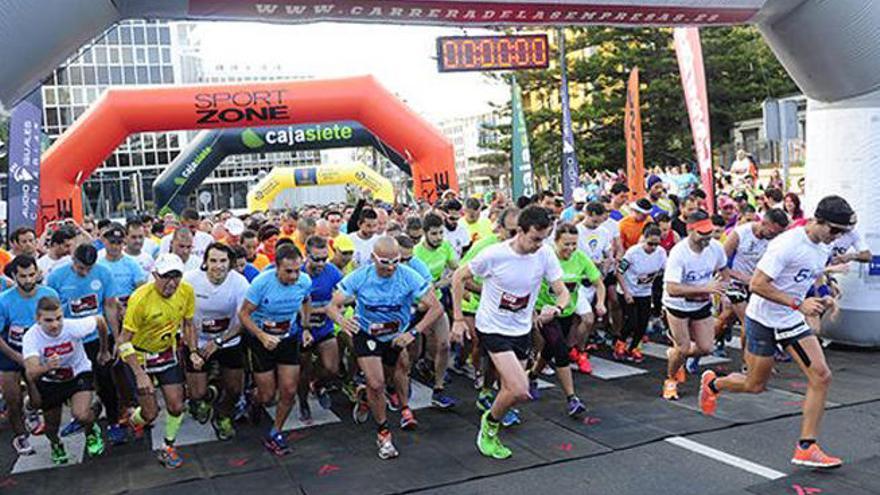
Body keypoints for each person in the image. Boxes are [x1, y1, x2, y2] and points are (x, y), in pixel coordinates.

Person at [700, 195, 857, 469]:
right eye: (834, 230)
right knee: (755, 385)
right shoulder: (787, 244)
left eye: (843, 233)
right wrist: (799, 303)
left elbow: (812, 274)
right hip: (762, 318)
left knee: (821, 376)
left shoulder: (822, 245)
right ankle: (714, 384)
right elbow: (758, 284)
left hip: (790, 320)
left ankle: (806, 447)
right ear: (817, 220)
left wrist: (825, 295)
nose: (837, 237)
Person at [451, 206, 569, 460]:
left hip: (521, 328)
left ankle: (492, 410)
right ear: (520, 231)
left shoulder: (545, 254)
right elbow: (458, 277)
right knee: (519, 389)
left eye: (544, 238)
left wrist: (556, 307)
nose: (540, 244)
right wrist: (458, 318)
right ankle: (489, 425)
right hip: (492, 327)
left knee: (511, 390)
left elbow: (562, 291)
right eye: (535, 238)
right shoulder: (494, 255)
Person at [326, 236, 442, 460]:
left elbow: (435, 308)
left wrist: (413, 332)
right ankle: (384, 434)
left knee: (392, 377)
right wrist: (341, 320)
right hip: (367, 334)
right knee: (376, 383)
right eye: (384, 262)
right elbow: (332, 305)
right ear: (372, 258)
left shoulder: (408, 276)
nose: (390, 268)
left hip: (395, 336)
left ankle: (365, 397)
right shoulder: (361, 276)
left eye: (395, 262)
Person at [119, 253, 195, 469]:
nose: (171, 283)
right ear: (154, 275)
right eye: (165, 277)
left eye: (176, 276)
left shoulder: (187, 291)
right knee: (150, 414)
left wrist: (193, 350)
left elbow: (188, 323)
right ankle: (133, 418)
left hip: (166, 352)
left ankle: (168, 446)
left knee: (177, 405)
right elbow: (123, 341)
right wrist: (140, 374)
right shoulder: (140, 298)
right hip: (139, 355)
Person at [238, 243, 312, 456]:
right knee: (268, 395)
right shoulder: (261, 283)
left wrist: (305, 327)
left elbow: (307, 300)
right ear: (276, 267)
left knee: (289, 390)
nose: (294, 276)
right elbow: (243, 314)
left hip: (288, 339)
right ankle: (253, 398)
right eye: (288, 271)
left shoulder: (304, 281)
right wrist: (262, 336)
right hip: (260, 340)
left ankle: (276, 432)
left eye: (298, 270)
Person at [47, 244, 123, 440]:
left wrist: (116, 338)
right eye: (81, 268)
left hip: (98, 337)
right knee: (71, 381)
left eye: (89, 268)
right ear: (73, 260)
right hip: (71, 340)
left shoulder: (103, 273)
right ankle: (79, 417)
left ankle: (113, 420)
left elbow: (110, 307)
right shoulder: (57, 276)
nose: (85, 272)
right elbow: (50, 310)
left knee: (105, 380)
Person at [22, 299, 110, 464]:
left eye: (59, 318)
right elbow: (31, 373)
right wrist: (47, 367)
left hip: (78, 373)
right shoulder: (31, 337)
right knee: (51, 427)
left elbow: (100, 320)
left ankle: (91, 431)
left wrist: (103, 350)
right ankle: (56, 444)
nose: (55, 325)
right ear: (38, 319)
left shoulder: (72, 327)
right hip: (50, 381)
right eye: (48, 320)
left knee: (81, 415)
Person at [530, 223, 599, 417]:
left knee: (550, 349)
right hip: (545, 313)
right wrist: (533, 312)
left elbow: (598, 281)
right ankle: (572, 398)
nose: (570, 249)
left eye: (574, 244)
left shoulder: (580, 258)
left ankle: (533, 376)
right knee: (560, 350)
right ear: (556, 241)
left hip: (565, 312)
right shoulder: (545, 257)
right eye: (566, 244)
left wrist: (600, 302)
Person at [183, 243, 249, 441]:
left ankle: (222, 416)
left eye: (223, 261)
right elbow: (185, 321)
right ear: (205, 262)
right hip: (198, 338)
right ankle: (203, 395)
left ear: (230, 264)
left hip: (228, 338)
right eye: (213, 261)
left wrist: (219, 341)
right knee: (197, 392)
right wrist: (194, 349)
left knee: (235, 389)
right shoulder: (190, 281)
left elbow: (244, 321)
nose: (218, 266)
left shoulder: (240, 282)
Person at [661, 210, 729, 401]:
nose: (707, 237)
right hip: (678, 305)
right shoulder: (679, 253)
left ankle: (675, 354)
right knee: (682, 348)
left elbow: (724, 270)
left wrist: (723, 289)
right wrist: (703, 287)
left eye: (709, 233)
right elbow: (672, 288)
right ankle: (671, 379)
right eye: (702, 234)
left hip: (701, 304)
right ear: (690, 230)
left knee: (706, 347)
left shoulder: (715, 247)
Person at [0, 255, 60, 456]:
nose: (27, 280)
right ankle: (20, 436)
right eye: (23, 276)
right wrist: (18, 358)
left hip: (38, 352)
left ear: (38, 273)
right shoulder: (4, 300)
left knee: (39, 399)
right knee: (11, 397)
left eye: (31, 275)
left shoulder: (49, 294)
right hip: (11, 352)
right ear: (14, 276)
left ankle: (31, 408)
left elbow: (58, 326)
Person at [715, 210, 790, 364]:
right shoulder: (740, 234)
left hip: (757, 284)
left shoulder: (776, 241)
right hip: (736, 282)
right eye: (772, 232)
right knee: (748, 320)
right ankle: (747, 363)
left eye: (778, 234)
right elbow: (719, 263)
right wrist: (738, 278)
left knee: (728, 317)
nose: (773, 236)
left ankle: (715, 340)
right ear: (763, 223)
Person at [413, 213, 458, 408]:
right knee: (412, 353)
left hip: (435, 303)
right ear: (425, 234)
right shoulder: (415, 253)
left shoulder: (445, 247)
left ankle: (438, 389)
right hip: (415, 305)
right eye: (434, 234)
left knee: (444, 345)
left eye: (441, 233)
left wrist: (440, 284)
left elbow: (458, 270)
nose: (439, 237)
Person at [298, 235, 344, 421]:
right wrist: (320, 309)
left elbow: (346, 293)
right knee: (304, 368)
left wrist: (337, 306)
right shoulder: (298, 274)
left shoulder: (331, 271)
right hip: (302, 329)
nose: (321, 263)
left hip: (324, 327)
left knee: (332, 368)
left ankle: (317, 384)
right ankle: (303, 402)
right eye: (316, 259)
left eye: (324, 258)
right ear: (306, 255)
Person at [615, 225, 667, 362]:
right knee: (632, 321)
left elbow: (666, 270)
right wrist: (626, 292)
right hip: (628, 290)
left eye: (657, 244)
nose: (653, 247)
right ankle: (620, 342)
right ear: (643, 239)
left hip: (644, 292)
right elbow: (619, 272)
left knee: (643, 323)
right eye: (650, 244)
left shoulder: (661, 253)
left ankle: (633, 347)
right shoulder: (633, 253)